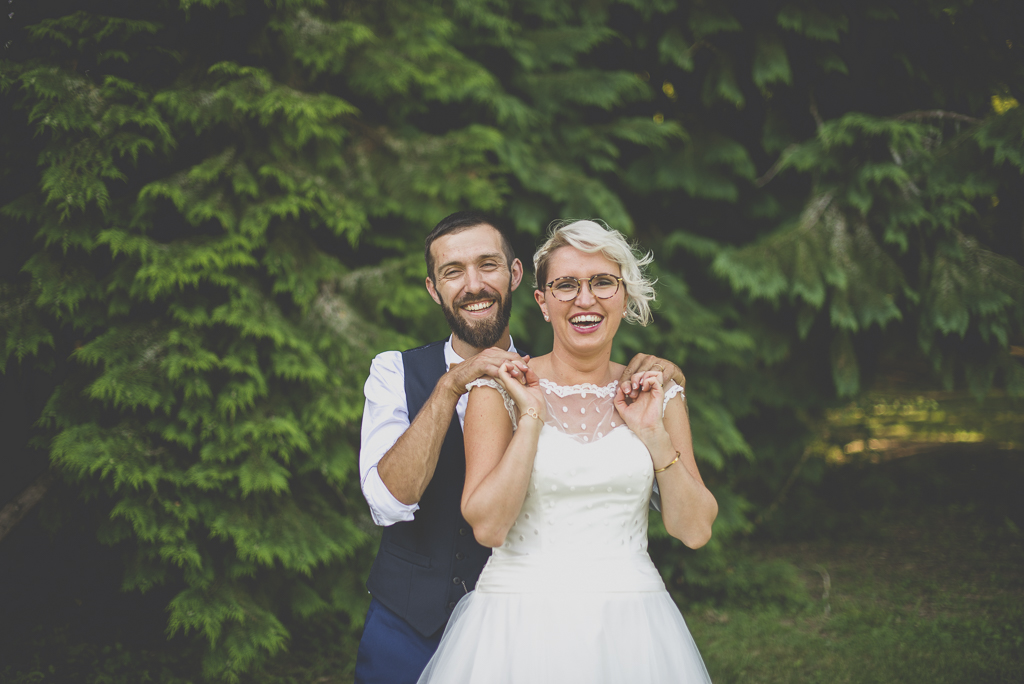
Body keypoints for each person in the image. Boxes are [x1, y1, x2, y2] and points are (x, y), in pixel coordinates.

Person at [355, 212, 686, 684]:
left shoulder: (554, 375)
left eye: (487, 265)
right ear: (434, 289)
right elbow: (388, 503)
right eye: (453, 272)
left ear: (514, 276)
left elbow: (639, 493)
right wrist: (451, 387)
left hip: (534, 625)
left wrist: (668, 396)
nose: (473, 284)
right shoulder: (396, 373)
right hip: (410, 626)